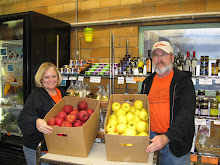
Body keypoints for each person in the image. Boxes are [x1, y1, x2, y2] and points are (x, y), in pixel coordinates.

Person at [141, 41, 196, 165]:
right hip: (151, 140)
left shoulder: (183, 81)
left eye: (164, 54)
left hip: (175, 143)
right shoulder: (147, 82)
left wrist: (167, 137)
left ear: (172, 57)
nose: (159, 59)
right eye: (156, 55)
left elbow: (186, 115)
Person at [18, 62, 66, 165]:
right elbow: (22, 119)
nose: (51, 80)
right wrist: (36, 122)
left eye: (54, 76)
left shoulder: (62, 93)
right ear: (41, 79)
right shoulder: (35, 95)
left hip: (57, 147)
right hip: (37, 149)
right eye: (46, 77)